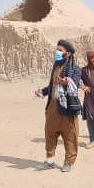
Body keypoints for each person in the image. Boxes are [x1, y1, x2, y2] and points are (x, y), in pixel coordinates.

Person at [33, 40, 81, 173]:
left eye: (60, 50)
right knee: (50, 135)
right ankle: (49, 161)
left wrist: (67, 82)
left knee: (70, 136)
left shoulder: (75, 69)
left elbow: (75, 84)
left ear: (68, 53)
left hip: (67, 109)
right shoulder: (56, 67)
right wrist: (42, 91)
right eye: (57, 49)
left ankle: (68, 162)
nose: (57, 52)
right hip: (53, 109)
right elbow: (52, 86)